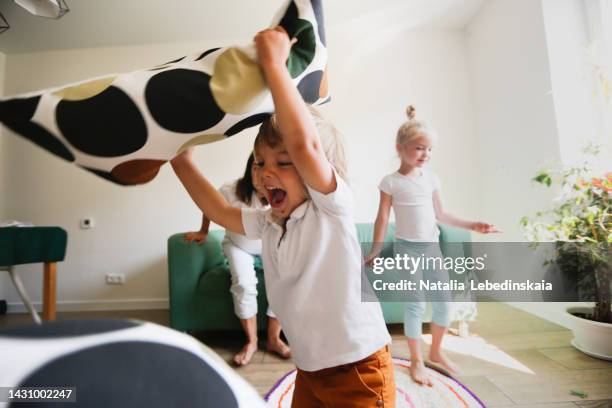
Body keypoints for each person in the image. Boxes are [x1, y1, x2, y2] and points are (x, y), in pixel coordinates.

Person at [171, 26, 395, 407]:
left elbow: (305, 143)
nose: (264, 172)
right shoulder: (269, 222)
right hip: (310, 369)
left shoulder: (330, 208)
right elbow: (219, 211)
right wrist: (181, 161)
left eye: (283, 162)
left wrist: (275, 66)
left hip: (359, 368)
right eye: (259, 162)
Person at [364, 105, 498, 387]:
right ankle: (416, 361)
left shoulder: (432, 179)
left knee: (444, 302)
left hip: (431, 248)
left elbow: (442, 214)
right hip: (406, 249)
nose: (425, 154)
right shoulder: (390, 182)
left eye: (429, 149)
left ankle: (436, 351)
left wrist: (473, 224)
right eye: (419, 148)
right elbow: (382, 218)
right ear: (400, 148)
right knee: (415, 304)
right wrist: (376, 249)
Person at [184, 154, 290, 366]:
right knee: (243, 283)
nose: (261, 173)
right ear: (250, 168)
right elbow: (209, 206)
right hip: (237, 244)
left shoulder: (280, 192)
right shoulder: (230, 190)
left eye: (268, 167)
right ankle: (251, 341)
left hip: (268, 245)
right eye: (257, 166)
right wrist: (203, 231)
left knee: (284, 281)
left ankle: (273, 338)